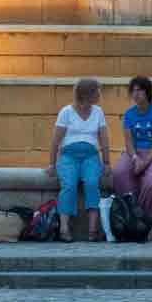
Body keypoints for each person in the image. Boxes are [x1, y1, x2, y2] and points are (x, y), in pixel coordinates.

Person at [48, 77, 111, 242]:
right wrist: (51, 164)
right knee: (68, 185)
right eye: (97, 91)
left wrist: (106, 162)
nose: (99, 94)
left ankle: (93, 230)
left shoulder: (98, 112)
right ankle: (64, 229)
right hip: (69, 156)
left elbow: (104, 139)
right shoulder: (66, 112)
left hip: (90, 156)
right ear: (87, 94)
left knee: (92, 183)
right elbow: (55, 140)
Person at [114, 75, 152, 220]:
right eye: (133, 91)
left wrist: (145, 163)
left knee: (151, 182)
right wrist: (134, 158)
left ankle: (142, 217)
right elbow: (128, 142)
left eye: (139, 90)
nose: (135, 94)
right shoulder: (129, 114)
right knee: (120, 172)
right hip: (133, 152)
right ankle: (129, 211)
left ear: (147, 92)